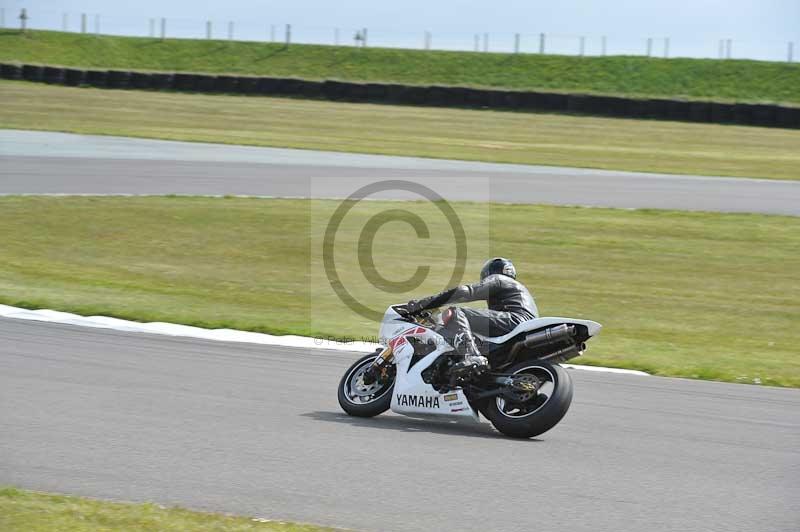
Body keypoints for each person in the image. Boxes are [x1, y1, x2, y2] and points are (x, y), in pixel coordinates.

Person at [405, 257, 538, 380]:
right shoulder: (518, 290)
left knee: (455, 313)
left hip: (514, 322)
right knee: (471, 335)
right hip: (521, 330)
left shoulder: (498, 279)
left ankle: (471, 356)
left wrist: (423, 304)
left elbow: (465, 292)